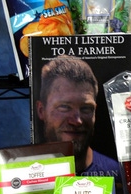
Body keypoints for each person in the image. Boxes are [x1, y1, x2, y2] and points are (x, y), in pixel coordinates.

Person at [36, 55, 122, 193]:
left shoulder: (117, 174)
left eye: (86, 108)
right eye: (64, 107)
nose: (77, 121)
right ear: (41, 110)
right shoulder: (22, 175)